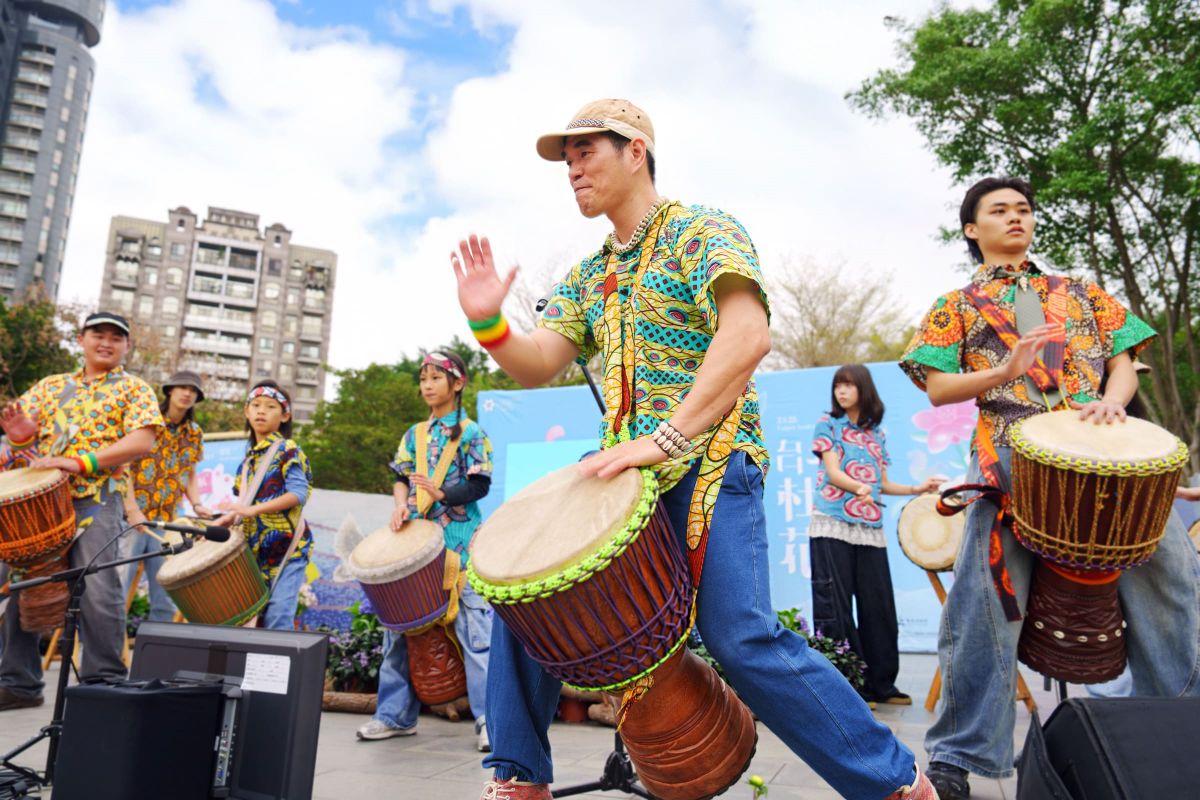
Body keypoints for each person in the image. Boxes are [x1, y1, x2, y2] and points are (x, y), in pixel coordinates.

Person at [450, 99, 934, 800]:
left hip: (711, 464)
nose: (573, 168)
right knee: (533, 602)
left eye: (586, 151)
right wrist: (489, 321)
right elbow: (537, 361)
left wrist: (666, 437)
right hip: (626, 485)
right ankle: (520, 779)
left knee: (741, 637)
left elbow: (748, 336)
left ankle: (896, 785)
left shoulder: (701, 230)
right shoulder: (589, 274)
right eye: (567, 159)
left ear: (636, 150)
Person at [899, 176, 1200, 800]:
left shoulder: (1081, 291)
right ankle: (959, 756)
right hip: (1014, 453)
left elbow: (1123, 364)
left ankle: (1184, 718)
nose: (1016, 218)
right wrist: (1006, 371)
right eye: (999, 210)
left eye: (1024, 209)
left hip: (1105, 455)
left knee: (1170, 574)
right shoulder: (955, 303)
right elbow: (935, 385)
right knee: (983, 603)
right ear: (971, 229)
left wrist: (1116, 404)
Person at [0, 311, 162, 710]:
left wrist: (81, 462)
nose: (106, 342)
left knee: (98, 586)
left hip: (97, 495)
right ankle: (18, 682)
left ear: (126, 346)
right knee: (25, 582)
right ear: (82, 338)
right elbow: (22, 443)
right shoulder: (51, 386)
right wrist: (21, 439)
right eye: (98, 334)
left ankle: (103, 682)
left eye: (115, 337)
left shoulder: (133, 389)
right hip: (38, 503)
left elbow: (143, 441)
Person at [356, 350, 495, 753]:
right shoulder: (413, 434)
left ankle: (490, 721)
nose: (427, 385)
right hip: (416, 544)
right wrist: (400, 503)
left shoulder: (471, 434)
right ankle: (394, 716)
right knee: (399, 629)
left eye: (436, 377)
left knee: (476, 634)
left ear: (458, 383)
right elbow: (401, 476)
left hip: (460, 545)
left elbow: (479, 485)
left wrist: (441, 493)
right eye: (423, 379)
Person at [811, 364, 941, 708]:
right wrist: (858, 487)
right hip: (832, 523)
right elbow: (833, 473)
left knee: (878, 606)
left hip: (869, 529)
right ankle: (849, 689)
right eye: (838, 385)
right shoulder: (828, 425)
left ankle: (882, 684)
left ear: (863, 390)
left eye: (849, 385)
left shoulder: (876, 435)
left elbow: (882, 483)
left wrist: (917, 488)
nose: (841, 391)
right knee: (835, 608)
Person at [213, 381, 312, 631]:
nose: (261, 411)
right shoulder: (247, 463)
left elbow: (298, 494)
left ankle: (281, 671)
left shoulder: (288, 450)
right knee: (250, 622)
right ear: (246, 412)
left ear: (285, 415)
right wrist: (228, 518)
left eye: (270, 406)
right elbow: (244, 505)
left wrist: (253, 510)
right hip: (255, 551)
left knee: (278, 618)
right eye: (255, 405)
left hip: (288, 548)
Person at [122, 370, 212, 622]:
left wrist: (197, 504)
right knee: (118, 591)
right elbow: (124, 468)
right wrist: (132, 510)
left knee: (165, 593)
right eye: (182, 387)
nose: (187, 393)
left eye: (193, 390)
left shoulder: (194, 433)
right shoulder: (146, 421)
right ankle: (106, 659)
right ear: (170, 390)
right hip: (131, 520)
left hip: (165, 521)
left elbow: (190, 473)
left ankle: (154, 657)